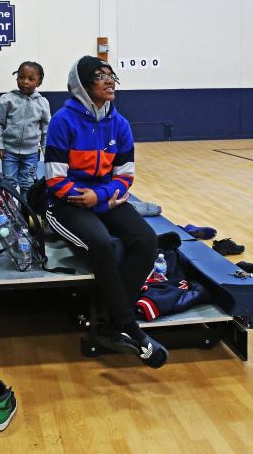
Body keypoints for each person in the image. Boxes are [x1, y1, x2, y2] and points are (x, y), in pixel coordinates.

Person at [44, 56, 168, 369]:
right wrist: (94, 198)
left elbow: (125, 176)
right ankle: (128, 327)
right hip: (66, 202)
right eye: (100, 76)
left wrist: (99, 197)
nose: (110, 81)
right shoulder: (63, 121)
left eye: (111, 76)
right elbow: (56, 180)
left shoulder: (120, 124)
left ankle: (113, 324)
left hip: (99, 198)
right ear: (83, 86)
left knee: (146, 240)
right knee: (103, 244)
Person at [0, 61, 51, 196]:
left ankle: (25, 213)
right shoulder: (7, 99)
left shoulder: (43, 103)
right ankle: (10, 213)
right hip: (8, 152)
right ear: (16, 77)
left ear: (39, 82)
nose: (25, 82)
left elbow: (46, 130)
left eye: (31, 79)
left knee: (28, 184)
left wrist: (47, 151)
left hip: (31, 154)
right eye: (21, 77)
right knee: (9, 183)